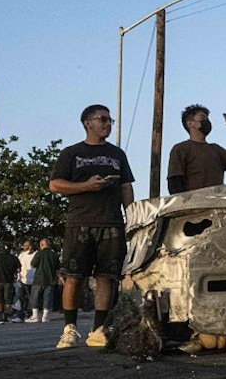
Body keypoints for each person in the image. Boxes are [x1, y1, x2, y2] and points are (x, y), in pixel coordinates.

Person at [49, 104, 135, 349]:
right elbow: (55, 185)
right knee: (75, 277)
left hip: (111, 222)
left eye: (110, 120)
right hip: (80, 223)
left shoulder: (118, 154)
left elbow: (126, 186)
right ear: (88, 123)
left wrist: (132, 217)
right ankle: (69, 329)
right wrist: (86, 186)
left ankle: (99, 329)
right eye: (103, 119)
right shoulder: (71, 153)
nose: (108, 124)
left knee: (107, 277)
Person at [167, 105, 226, 194]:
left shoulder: (216, 150)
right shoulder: (181, 149)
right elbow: (175, 183)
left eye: (207, 118)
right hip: (194, 205)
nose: (207, 121)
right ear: (190, 123)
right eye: (202, 117)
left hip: (216, 204)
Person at [26, 238, 59, 323]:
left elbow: (33, 264)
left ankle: (35, 316)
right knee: (47, 297)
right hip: (50, 279)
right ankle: (45, 316)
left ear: (41, 245)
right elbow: (58, 267)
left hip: (39, 278)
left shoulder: (39, 253)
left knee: (35, 297)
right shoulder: (54, 255)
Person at [0, 245, 20, 324]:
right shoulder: (14, 258)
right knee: (8, 300)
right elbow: (18, 269)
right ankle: (6, 317)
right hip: (9, 281)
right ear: (10, 250)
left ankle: (0, 318)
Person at [14, 239, 36, 322]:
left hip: (32, 279)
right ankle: (20, 315)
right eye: (24, 245)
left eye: (26, 245)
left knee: (31, 298)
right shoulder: (22, 254)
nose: (24, 247)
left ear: (30, 246)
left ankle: (30, 314)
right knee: (21, 297)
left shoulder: (35, 254)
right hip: (22, 279)